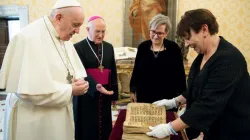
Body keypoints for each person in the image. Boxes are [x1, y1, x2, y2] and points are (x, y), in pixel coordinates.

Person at [0, 0, 110, 140]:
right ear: (59, 18)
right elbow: (28, 92)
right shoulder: (28, 38)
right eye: (75, 25)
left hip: (59, 116)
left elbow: (74, 72)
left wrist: (82, 83)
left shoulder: (64, 39)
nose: (77, 31)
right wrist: (70, 90)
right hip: (35, 120)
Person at [146, 9, 250, 140]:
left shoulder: (229, 59)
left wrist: (169, 128)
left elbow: (207, 105)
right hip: (211, 129)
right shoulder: (202, 55)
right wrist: (174, 101)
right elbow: (196, 87)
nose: (186, 43)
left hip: (231, 131)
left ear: (204, 30)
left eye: (188, 37)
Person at [73, 16, 118, 140]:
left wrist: (114, 94)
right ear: (88, 29)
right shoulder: (78, 47)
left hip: (105, 94)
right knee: (87, 127)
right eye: (97, 31)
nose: (101, 35)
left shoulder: (109, 47)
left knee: (105, 126)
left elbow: (112, 71)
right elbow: (79, 73)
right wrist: (94, 86)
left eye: (103, 31)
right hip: (86, 94)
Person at [129, 14, 186, 104]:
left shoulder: (174, 48)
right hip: (144, 97)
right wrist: (132, 90)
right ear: (149, 30)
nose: (155, 36)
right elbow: (136, 71)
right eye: (153, 32)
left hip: (167, 99)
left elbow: (180, 75)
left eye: (159, 33)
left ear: (166, 33)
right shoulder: (143, 47)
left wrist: (181, 97)